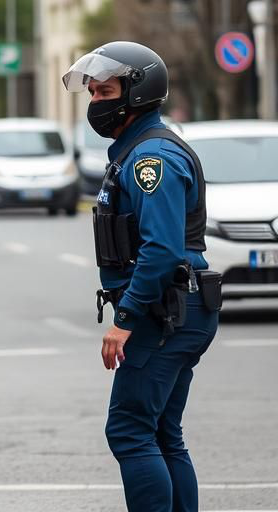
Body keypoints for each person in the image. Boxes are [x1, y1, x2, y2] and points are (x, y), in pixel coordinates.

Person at [62, 41, 221, 512]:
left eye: (105, 91)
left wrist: (125, 317)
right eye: (91, 93)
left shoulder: (152, 159)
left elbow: (162, 249)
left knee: (130, 431)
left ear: (137, 93)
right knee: (162, 433)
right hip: (176, 307)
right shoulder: (136, 150)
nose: (96, 103)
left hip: (163, 313)